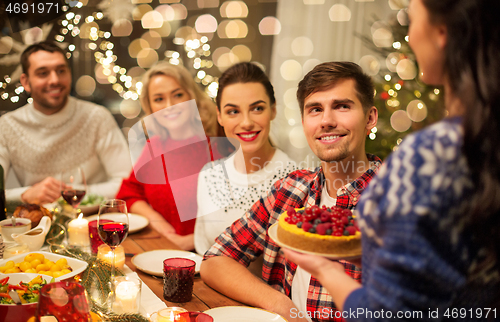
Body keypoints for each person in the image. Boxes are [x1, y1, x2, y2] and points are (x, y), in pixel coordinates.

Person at [284, 0, 500, 320]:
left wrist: (324, 269)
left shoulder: (428, 157)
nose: (410, 37)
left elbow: (386, 314)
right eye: (315, 109)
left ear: (441, 34)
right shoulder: (483, 144)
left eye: (412, 21)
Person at [200, 61, 381, 322]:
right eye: (315, 109)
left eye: (342, 106)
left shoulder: (398, 204)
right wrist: (284, 307)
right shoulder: (291, 189)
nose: (327, 121)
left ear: (370, 118)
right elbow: (216, 259)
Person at [0, 41, 131, 204]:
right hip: (36, 224)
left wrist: (72, 193)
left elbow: (127, 183)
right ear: (26, 82)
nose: (55, 80)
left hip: (94, 221)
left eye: (61, 71)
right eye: (43, 73)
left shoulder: (97, 117)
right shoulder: (7, 126)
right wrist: (25, 195)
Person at [194, 62, 297, 257]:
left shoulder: (296, 181)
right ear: (220, 116)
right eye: (233, 111)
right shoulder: (209, 175)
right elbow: (203, 252)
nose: (247, 122)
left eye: (257, 108)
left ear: (273, 110)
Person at [116, 62, 219, 250]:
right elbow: (129, 194)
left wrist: (189, 242)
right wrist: (158, 223)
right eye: (159, 99)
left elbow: (239, 217)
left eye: (178, 95)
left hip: (209, 259)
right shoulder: (153, 147)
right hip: (161, 252)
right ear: (150, 107)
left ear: (192, 97)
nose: (169, 106)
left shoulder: (216, 146)